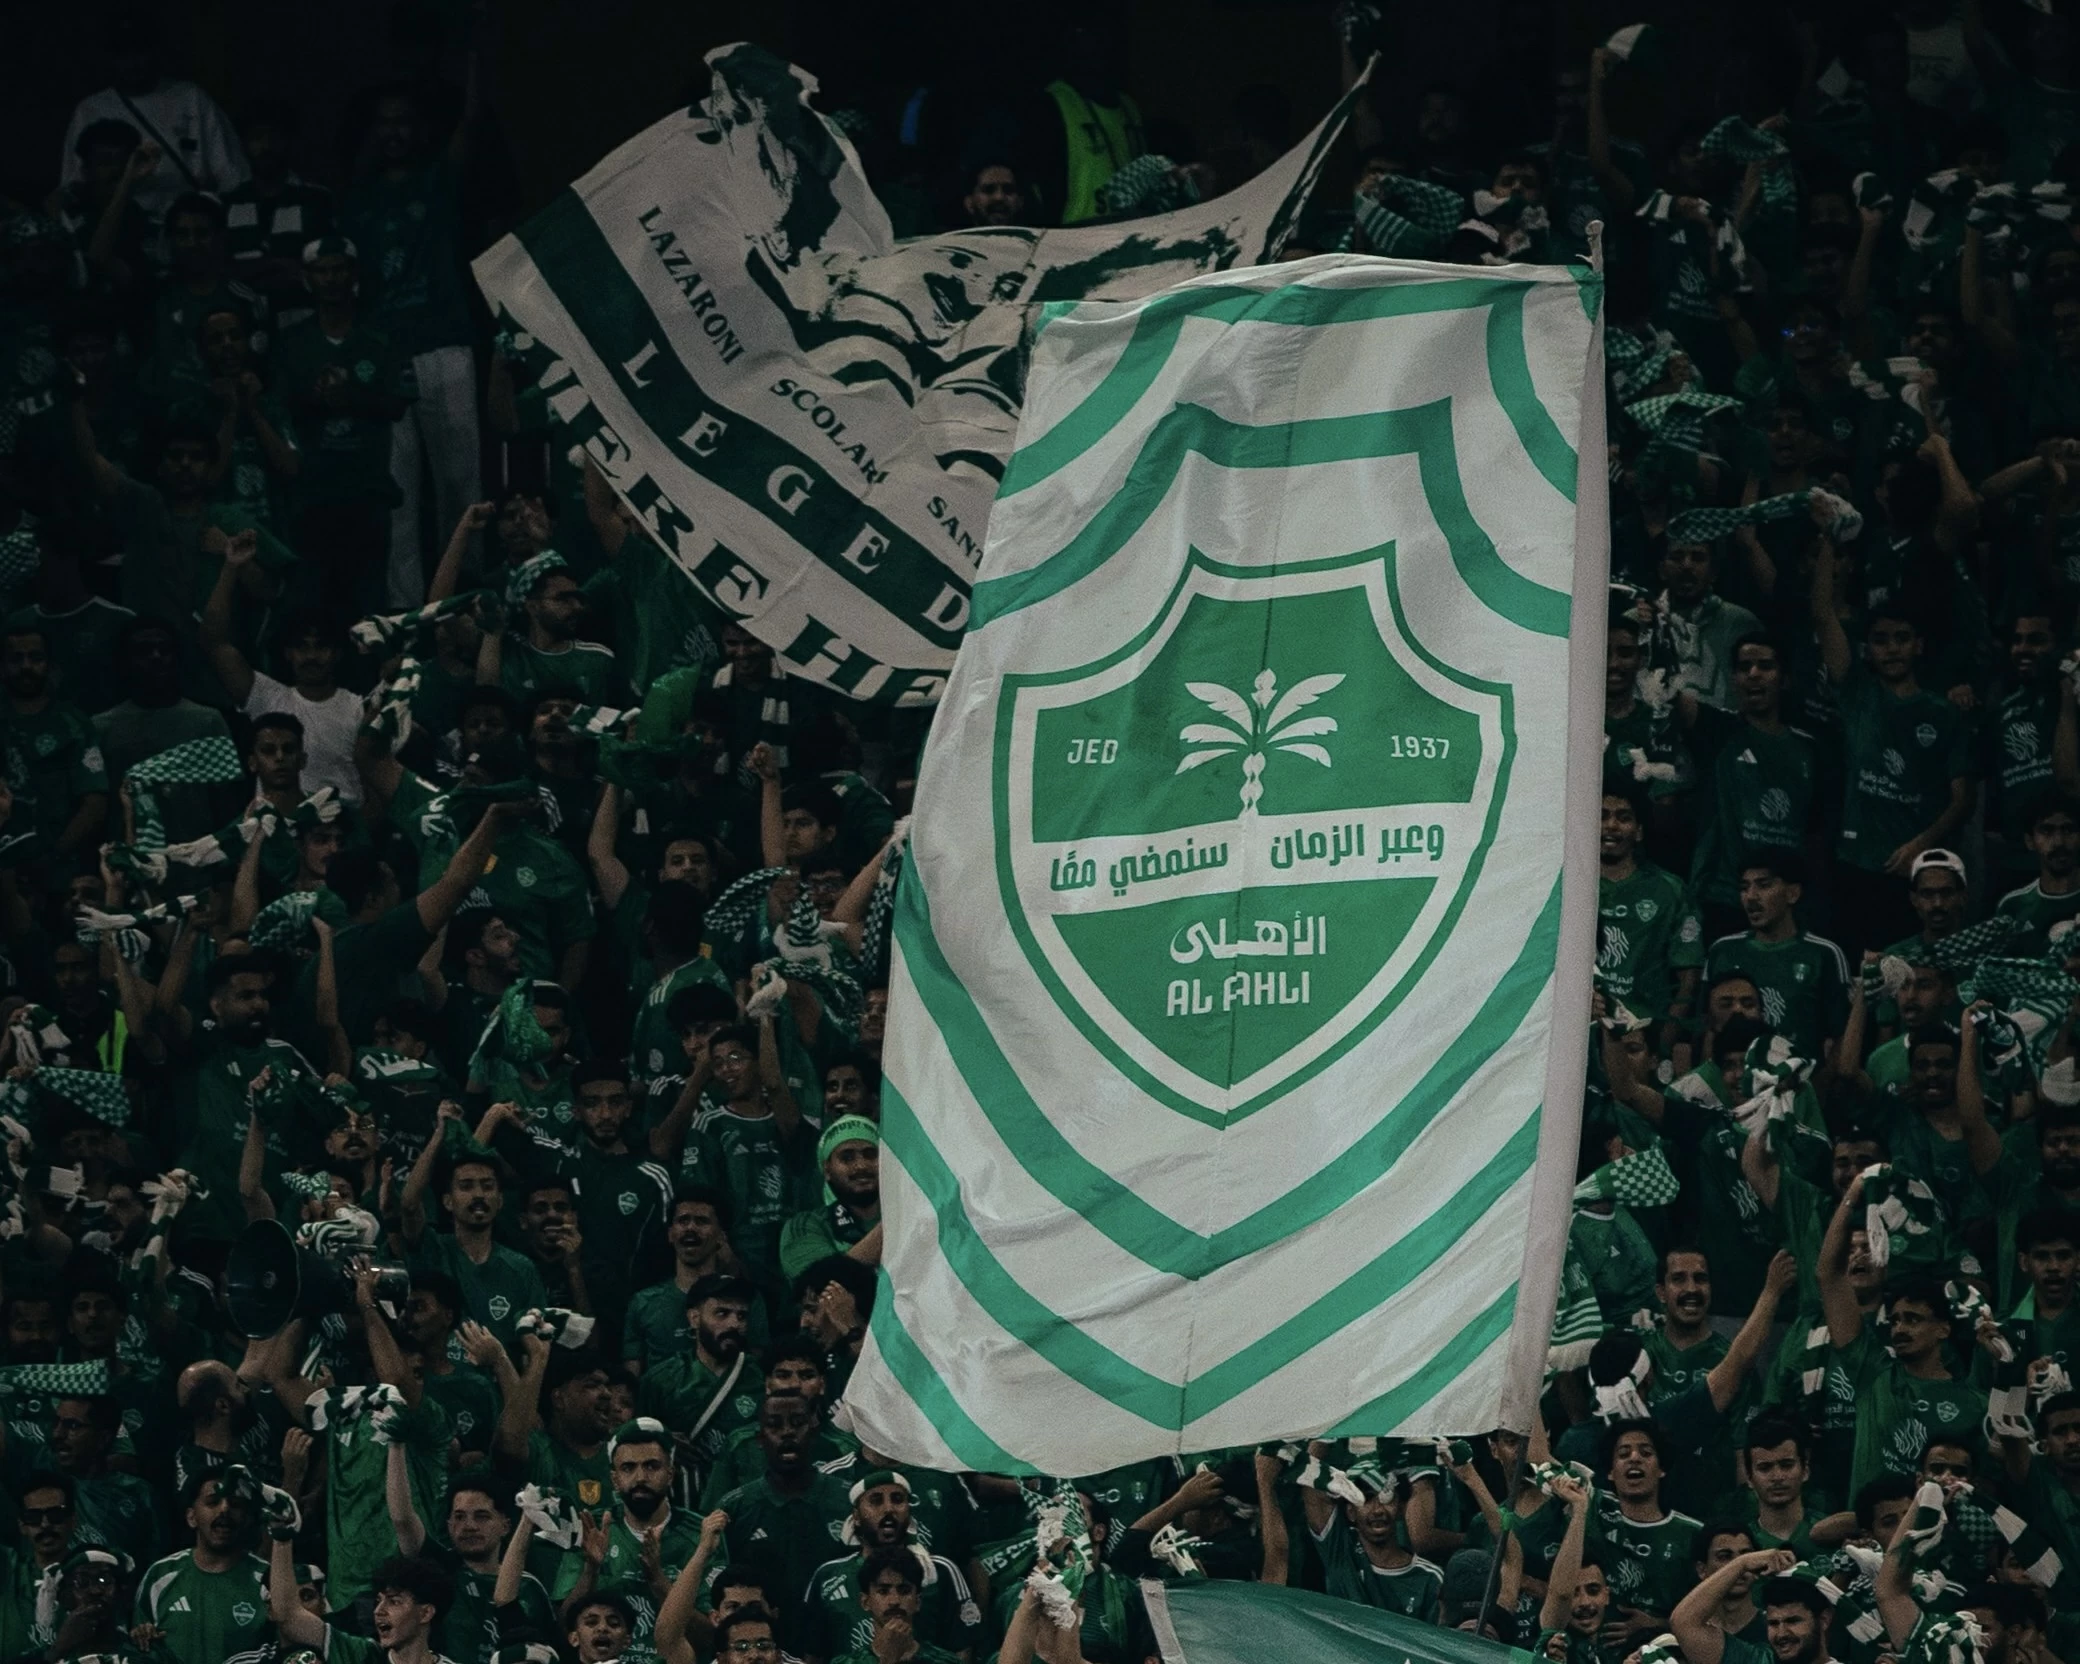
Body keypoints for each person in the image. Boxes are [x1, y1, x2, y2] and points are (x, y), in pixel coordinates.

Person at [1702, 852, 1850, 1063]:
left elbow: (1841, 1037)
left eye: (1763, 885)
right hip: (1732, 1078)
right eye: (1744, 888)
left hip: (1800, 1079)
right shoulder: (1723, 950)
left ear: (1792, 893)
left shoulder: (1824, 954)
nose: (1751, 896)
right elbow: (1705, 1028)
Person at [133, 1471, 270, 1664]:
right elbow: (139, 1643)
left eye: (235, 1504)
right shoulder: (160, 1575)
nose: (224, 1509)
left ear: (246, 1517)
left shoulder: (267, 1578)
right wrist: (141, 1635)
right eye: (213, 1502)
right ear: (192, 1517)